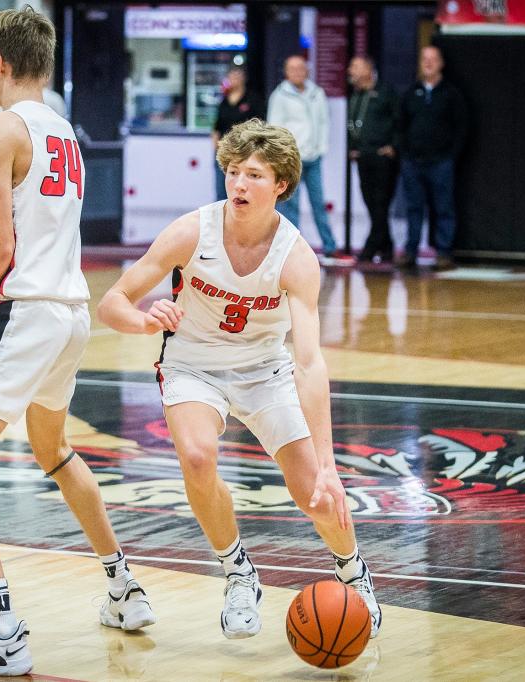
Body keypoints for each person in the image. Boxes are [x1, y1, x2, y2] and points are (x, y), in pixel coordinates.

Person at [0, 7, 155, 676]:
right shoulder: (68, 133)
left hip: (24, 311)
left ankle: (1, 627)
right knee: (54, 450)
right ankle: (123, 587)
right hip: (71, 310)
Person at [97, 118, 382, 641]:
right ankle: (238, 574)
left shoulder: (296, 257)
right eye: (232, 172)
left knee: (315, 494)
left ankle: (353, 572)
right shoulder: (192, 230)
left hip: (265, 369)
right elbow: (111, 302)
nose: (239, 184)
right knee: (199, 456)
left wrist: (329, 463)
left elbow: (310, 362)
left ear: (281, 185)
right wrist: (144, 319)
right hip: (192, 364)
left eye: (253, 174)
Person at [397, 45, 466, 271]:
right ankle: (410, 252)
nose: (428, 63)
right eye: (424, 59)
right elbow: (401, 125)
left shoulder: (451, 94)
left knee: (444, 208)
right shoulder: (411, 92)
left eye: (432, 59)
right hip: (413, 163)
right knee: (414, 208)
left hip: (441, 163)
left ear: (441, 63)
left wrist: (450, 155)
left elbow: (461, 128)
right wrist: (405, 154)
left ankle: (443, 253)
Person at [267, 55, 341, 260]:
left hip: (314, 157)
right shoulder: (280, 95)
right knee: (291, 205)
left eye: (300, 68)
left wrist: (321, 147)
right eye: (292, 69)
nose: (297, 72)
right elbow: (275, 128)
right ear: (286, 72)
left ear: (306, 70)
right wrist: (283, 154)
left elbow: (324, 121)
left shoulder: (317, 93)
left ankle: (329, 245)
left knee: (319, 203)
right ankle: (292, 248)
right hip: (291, 159)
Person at [346, 56, 400, 264]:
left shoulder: (386, 93)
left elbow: (398, 121)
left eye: (355, 66)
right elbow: (352, 125)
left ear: (369, 69)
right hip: (363, 157)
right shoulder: (356, 95)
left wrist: (393, 147)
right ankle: (386, 247)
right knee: (371, 203)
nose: (350, 70)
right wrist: (353, 148)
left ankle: (370, 247)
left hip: (382, 157)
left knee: (380, 203)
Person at [211, 65, 265, 201]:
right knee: (221, 192)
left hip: (245, 153)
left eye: (238, 76)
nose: (234, 79)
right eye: (232, 76)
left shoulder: (253, 99)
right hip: (224, 153)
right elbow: (217, 127)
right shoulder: (224, 101)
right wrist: (215, 149)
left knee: (243, 192)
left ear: (243, 78)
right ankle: (222, 221)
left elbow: (260, 126)